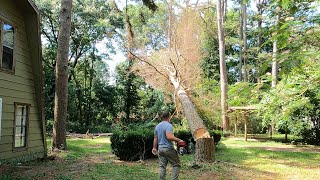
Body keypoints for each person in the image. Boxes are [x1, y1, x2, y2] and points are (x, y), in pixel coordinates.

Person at [152, 111, 184, 180]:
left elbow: (155, 138)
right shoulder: (168, 125)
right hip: (168, 149)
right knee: (176, 165)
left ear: (162, 117)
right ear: (169, 117)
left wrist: (154, 148)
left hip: (160, 149)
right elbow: (169, 137)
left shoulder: (157, 126)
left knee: (162, 167)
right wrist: (179, 140)